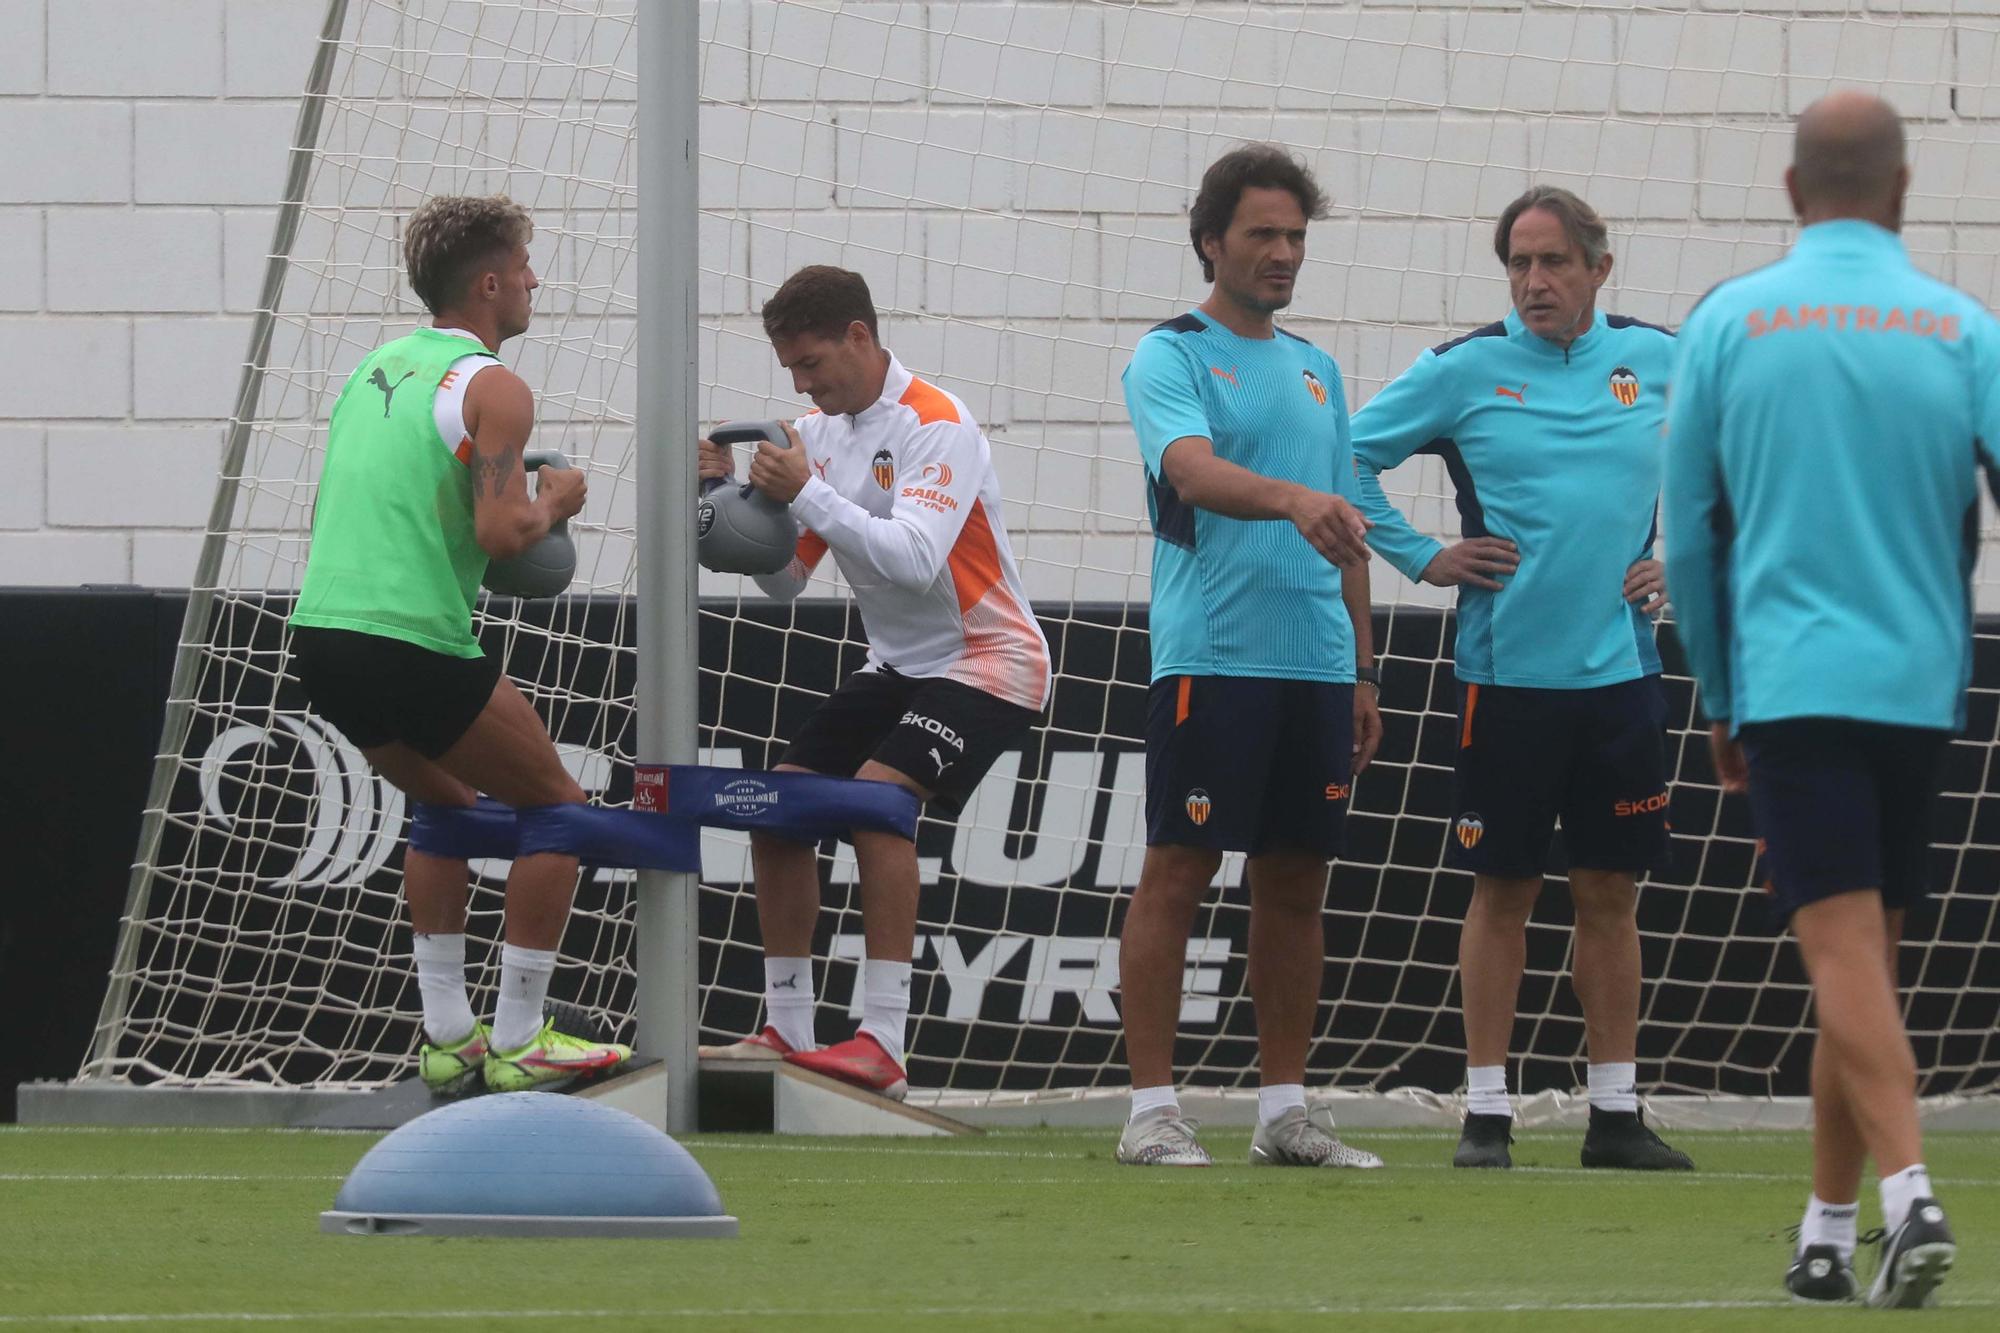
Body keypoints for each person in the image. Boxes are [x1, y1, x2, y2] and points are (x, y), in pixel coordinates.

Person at [1665, 92, 1996, 1307]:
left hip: (1791, 685)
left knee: (1840, 951)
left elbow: (1692, 539)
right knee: (1858, 961)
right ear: (1901, 192)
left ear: (1791, 191)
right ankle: (1822, 1229)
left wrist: (1713, 690)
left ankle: (1907, 1195)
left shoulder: (1727, 324)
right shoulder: (1963, 328)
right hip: (1916, 687)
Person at [1349, 186, 1693, 1173]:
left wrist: (1683, 560)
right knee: (1500, 889)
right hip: (1505, 682)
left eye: (1550, 263)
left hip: (1621, 676)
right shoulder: (1462, 371)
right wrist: (1420, 555)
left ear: (1597, 268)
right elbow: (1347, 456)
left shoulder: (1661, 360)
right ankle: (1486, 1112)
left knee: (1608, 893)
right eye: (1516, 264)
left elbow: (1743, 460)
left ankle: (1615, 1114)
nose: (1533, 282)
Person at [288, 194, 631, 1093]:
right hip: (411, 639)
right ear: (488, 283)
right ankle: (520, 1035)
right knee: (558, 807)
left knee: (445, 806)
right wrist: (559, 496)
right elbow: (502, 531)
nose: (532, 281)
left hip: (321, 637)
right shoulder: (495, 387)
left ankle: (449, 1034)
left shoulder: (374, 368)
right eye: (522, 267)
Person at [695, 265, 1051, 1100]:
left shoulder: (939, 424)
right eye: (791, 371)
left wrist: (808, 492)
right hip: (897, 663)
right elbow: (785, 583)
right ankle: (787, 1026)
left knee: (876, 801)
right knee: (777, 806)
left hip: (989, 659)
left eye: (814, 363)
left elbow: (917, 555)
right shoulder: (816, 435)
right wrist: (720, 499)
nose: (804, 384)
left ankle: (882, 1044)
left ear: (860, 336)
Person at [1114, 144, 1384, 1169]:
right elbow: (1188, 470)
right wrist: (1289, 498)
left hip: (1314, 666)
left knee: (1296, 884)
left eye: (1295, 238)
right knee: (1177, 871)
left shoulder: (1317, 370)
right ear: (1209, 242)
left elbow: (1342, 520)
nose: (1281, 254)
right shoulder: (1169, 354)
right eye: (1262, 234)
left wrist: (1361, 668)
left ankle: (1283, 1110)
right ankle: (1150, 1110)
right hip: (1213, 659)